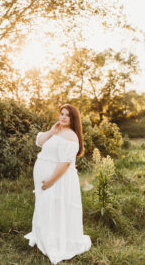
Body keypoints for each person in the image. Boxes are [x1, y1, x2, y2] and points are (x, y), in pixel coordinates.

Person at [24, 103, 92, 264]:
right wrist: (51, 131)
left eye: (67, 115)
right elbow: (39, 142)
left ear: (73, 118)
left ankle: (56, 241)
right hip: (46, 178)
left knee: (55, 208)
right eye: (61, 113)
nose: (63, 117)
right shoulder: (57, 130)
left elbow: (65, 163)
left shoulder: (71, 137)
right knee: (45, 207)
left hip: (58, 179)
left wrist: (50, 181)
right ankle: (44, 236)